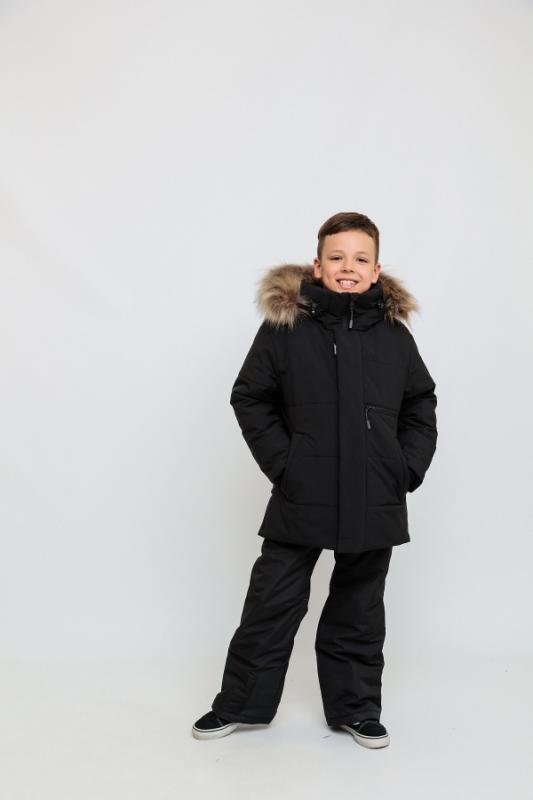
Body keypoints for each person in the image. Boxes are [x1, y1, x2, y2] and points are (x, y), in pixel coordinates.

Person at [192, 211, 438, 748]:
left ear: (376, 271)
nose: (349, 267)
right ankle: (239, 704)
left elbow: (421, 401)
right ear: (318, 265)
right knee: (272, 601)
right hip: (303, 492)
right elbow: (250, 396)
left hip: (374, 493)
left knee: (359, 607)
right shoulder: (285, 330)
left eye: (361, 258)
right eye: (337, 257)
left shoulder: (394, 337)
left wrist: (405, 467)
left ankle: (356, 709)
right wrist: (287, 464)